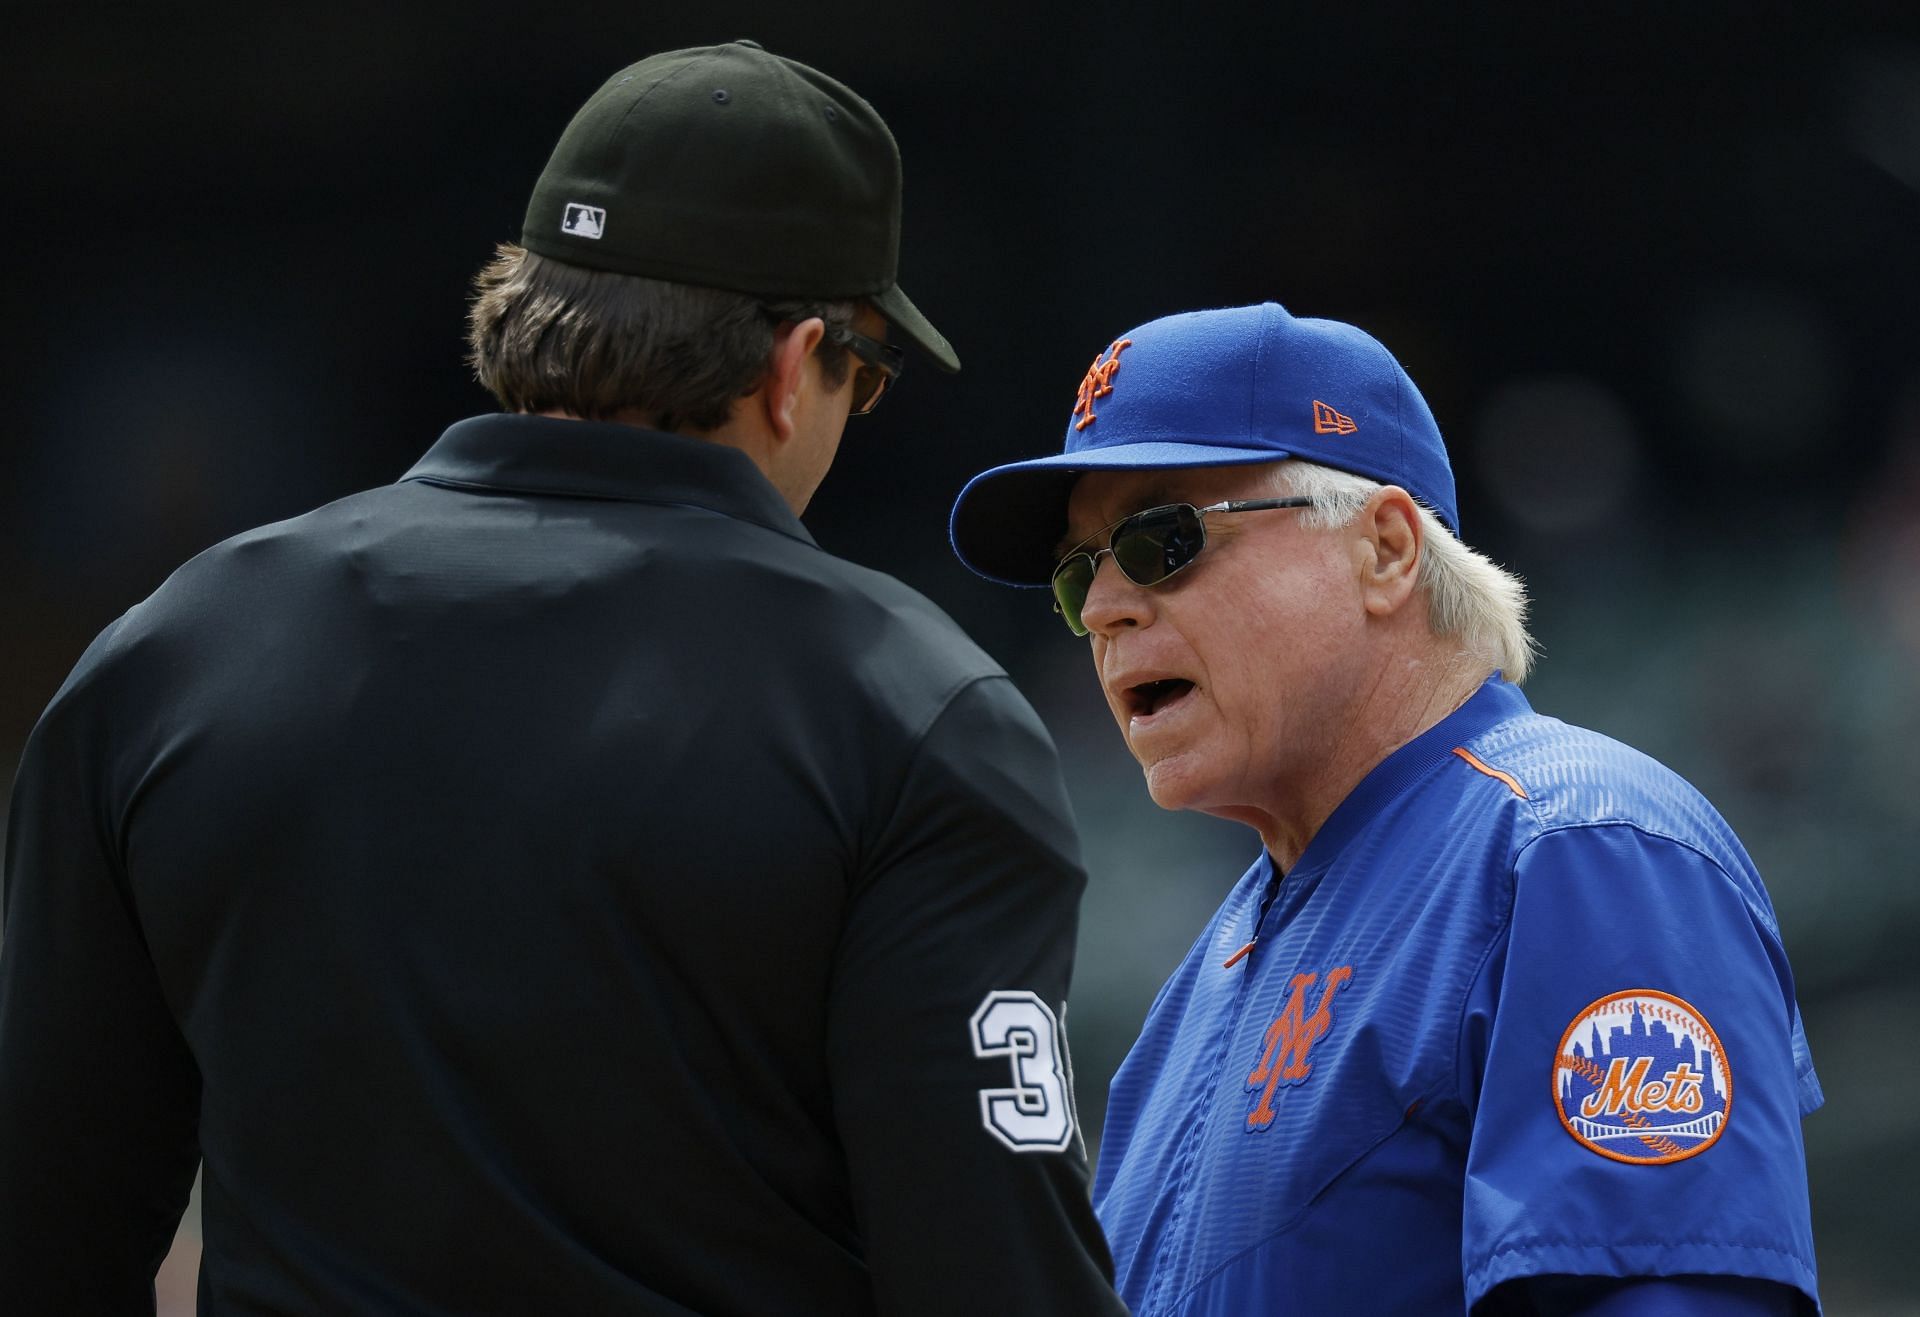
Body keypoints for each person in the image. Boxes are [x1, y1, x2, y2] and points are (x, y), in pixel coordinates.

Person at [0, 43, 1125, 1315]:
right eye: (863, 373)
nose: (851, 404)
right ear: (789, 360)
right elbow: (992, 1279)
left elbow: (45, 1240)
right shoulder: (910, 710)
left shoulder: (171, 656)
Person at [949, 302, 1823, 1315]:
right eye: (1076, 572)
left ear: (1386, 550)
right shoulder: (1202, 987)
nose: (1103, 607)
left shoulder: (1578, 853)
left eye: (1159, 539)